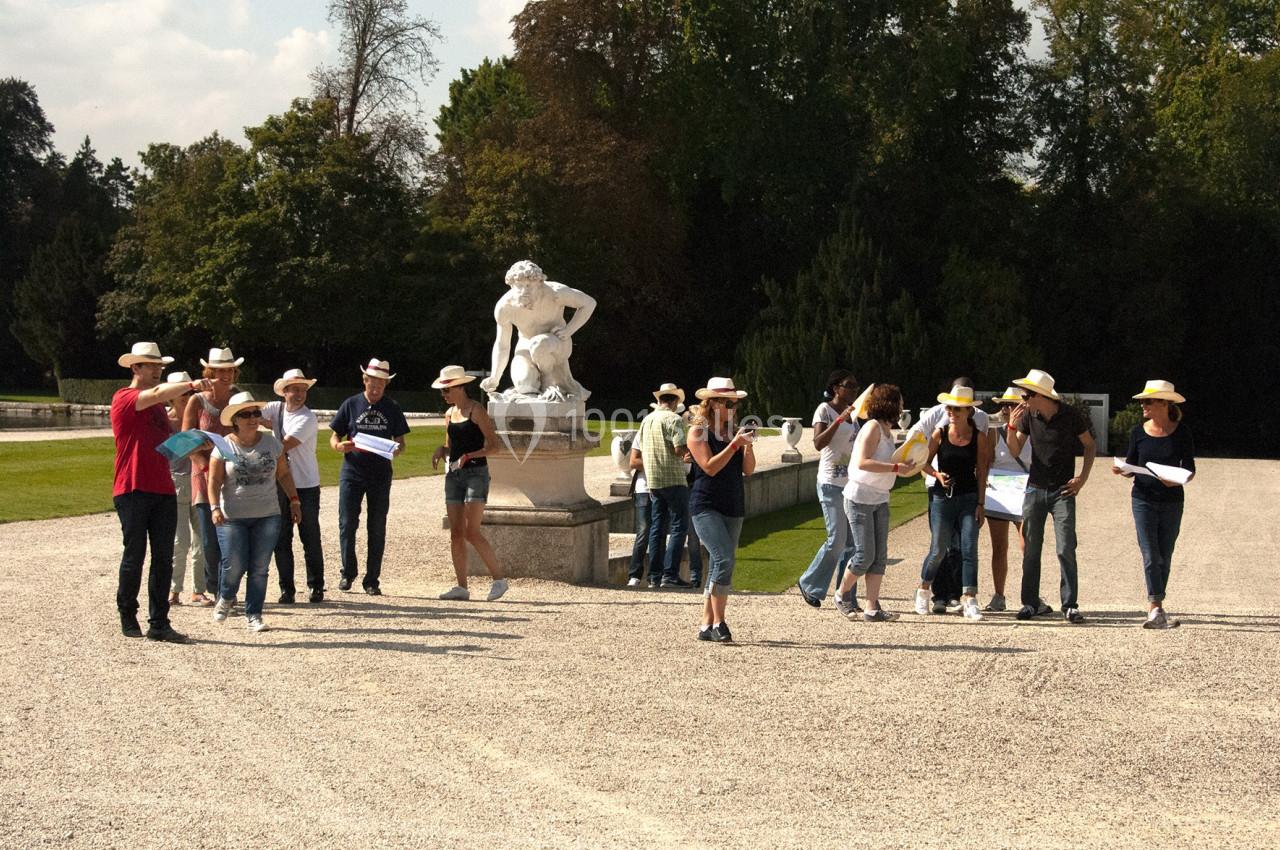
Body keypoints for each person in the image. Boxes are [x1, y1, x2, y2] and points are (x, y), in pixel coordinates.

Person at [112, 342, 211, 642]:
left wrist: (199, 442)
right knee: (135, 554)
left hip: (162, 487)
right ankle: (128, 613)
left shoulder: (155, 407)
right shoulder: (125, 398)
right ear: (135, 368)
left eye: (159, 366)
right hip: (132, 486)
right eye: (151, 366)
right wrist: (191, 384)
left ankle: (159, 622)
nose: (157, 370)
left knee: (163, 556)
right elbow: (156, 394)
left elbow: (167, 446)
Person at [1006, 369, 1096, 623]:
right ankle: (1030, 602)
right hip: (1035, 488)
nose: (1023, 398)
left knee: (1066, 547)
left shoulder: (1070, 415)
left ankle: (1070, 605)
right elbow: (1014, 450)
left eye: (1028, 394)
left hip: (1062, 490)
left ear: (1042, 395)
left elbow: (1090, 444)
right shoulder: (1029, 416)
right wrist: (1012, 426)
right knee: (1031, 548)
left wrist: (1083, 478)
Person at [208, 392, 302, 632]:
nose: (252, 418)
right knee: (234, 564)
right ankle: (227, 595)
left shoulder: (272, 442)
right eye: (246, 414)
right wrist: (214, 507)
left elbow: (283, 473)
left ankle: (254, 614)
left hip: (267, 513)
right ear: (235, 420)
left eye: (256, 413)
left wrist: (294, 500)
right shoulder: (224, 445)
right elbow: (214, 481)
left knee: (260, 567)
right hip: (232, 515)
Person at [832, 384, 919, 621]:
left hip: (880, 497)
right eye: (899, 402)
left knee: (879, 556)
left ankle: (872, 607)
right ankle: (841, 593)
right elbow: (862, 462)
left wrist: (904, 462)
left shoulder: (887, 431)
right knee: (864, 555)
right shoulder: (872, 428)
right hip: (860, 497)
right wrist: (895, 467)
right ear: (890, 404)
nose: (902, 406)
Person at [1113, 380, 1195, 629]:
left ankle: (1158, 603)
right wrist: (1122, 470)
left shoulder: (1182, 432)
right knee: (1150, 555)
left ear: (1164, 404)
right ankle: (1156, 608)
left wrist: (1180, 479)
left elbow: (1189, 468)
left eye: (1148, 401)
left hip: (1172, 500)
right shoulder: (1138, 432)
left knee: (1164, 557)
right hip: (1143, 499)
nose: (1142, 406)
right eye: (1142, 401)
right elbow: (1131, 464)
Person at [907, 376, 990, 613]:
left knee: (968, 548)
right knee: (938, 549)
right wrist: (936, 473)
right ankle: (924, 589)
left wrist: (981, 503)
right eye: (949, 408)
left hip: (968, 497)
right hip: (942, 497)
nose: (951, 412)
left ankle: (970, 598)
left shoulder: (979, 437)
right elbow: (922, 462)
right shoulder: (939, 433)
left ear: (968, 411)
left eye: (956, 409)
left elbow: (983, 470)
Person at [330, 359, 410, 595]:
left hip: (380, 473)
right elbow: (334, 436)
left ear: (386, 385)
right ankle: (348, 572)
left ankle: (372, 579)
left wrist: (397, 449)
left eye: (381, 385)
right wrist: (338, 447)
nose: (376, 389)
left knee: (376, 526)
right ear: (365, 380)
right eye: (372, 384)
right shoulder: (351, 404)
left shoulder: (392, 407)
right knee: (347, 523)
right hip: (352, 471)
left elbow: (401, 442)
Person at [431, 365, 509, 602]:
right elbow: (451, 447)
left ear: (460, 388)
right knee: (456, 533)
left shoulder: (477, 410)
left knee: (471, 531)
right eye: (443, 391)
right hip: (454, 475)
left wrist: (470, 456)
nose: (443, 395)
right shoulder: (449, 415)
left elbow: (494, 446)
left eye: (447, 391)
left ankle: (499, 580)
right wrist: (441, 450)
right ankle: (461, 586)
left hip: (476, 474)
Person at [688, 378, 756, 642]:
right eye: (728, 403)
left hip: (733, 503)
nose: (734, 408)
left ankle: (706, 625)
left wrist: (746, 447)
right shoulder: (698, 432)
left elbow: (747, 470)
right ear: (713, 404)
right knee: (725, 558)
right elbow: (709, 467)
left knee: (719, 562)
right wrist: (735, 445)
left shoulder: (733, 432)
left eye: (735, 404)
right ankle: (719, 622)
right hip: (705, 504)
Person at [479, 260, 597, 401]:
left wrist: (569, 330)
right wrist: (495, 376)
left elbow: (589, 303)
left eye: (529, 286)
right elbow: (502, 345)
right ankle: (536, 392)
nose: (524, 291)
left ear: (539, 283)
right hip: (525, 348)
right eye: (519, 286)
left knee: (539, 343)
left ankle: (549, 383)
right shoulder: (504, 307)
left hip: (557, 344)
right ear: (511, 285)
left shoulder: (555, 293)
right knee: (524, 385)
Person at [796, 370, 861, 609]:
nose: (854, 390)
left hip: (850, 486)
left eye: (855, 386)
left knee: (853, 545)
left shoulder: (855, 416)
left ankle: (845, 596)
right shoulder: (824, 410)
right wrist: (839, 420)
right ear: (836, 388)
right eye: (849, 386)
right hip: (830, 483)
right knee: (837, 540)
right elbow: (818, 443)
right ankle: (809, 582)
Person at [182, 347, 242, 602]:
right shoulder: (197, 400)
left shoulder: (239, 398)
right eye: (220, 370)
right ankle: (216, 587)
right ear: (210, 371)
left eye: (229, 370)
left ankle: (228, 589)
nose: (225, 375)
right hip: (203, 473)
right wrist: (203, 462)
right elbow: (183, 441)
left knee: (234, 536)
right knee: (209, 538)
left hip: (233, 474)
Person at [262, 369, 325, 604]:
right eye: (295, 389)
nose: (299, 394)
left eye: (303, 390)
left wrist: (259, 436)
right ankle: (286, 589)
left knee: (309, 537)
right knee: (281, 538)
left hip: (305, 483)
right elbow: (249, 410)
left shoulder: (307, 418)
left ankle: (316, 585)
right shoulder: (275, 409)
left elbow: (282, 446)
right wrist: (253, 418)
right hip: (279, 482)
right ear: (284, 391)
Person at [635, 383, 694, 588]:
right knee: (679, 526)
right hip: (674, 479)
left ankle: (654, 576)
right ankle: (670, 574)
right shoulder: (674, 419)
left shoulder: (647, 420)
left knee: (657, 528)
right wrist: (689, 452)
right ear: (675, 401)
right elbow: (679, 449)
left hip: (654, 481)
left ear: (660, 401)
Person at [163, 371, 210, 607]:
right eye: (182, 396)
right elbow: (165, 454)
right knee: (180, 541)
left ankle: (198, 590)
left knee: (201, 540)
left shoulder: (199, 418)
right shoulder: (165, 421)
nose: (187, 399)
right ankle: (174, 590)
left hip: (198, 480)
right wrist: (193, 442)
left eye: (189, 394)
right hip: (175, 482)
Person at [984, 386, 1031, 611]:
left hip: (1025, 492)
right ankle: (999, 594)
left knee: (1028, 546)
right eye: (1005, 405)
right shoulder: (994, 434)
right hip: (1001, 493)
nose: (1007, 409)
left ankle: (1031, 595)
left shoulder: (1033, 433)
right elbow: (985, 464)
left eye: (1012, 405)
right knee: (999, 547)